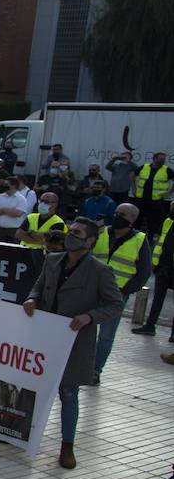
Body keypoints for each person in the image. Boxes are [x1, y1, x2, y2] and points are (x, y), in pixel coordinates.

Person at [23, 217, 123, 469]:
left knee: (68, 392)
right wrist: (32, 299)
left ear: (89, 241)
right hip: (45, 334)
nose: (70, 236)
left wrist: (90, 316)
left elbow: (115, 304)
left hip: (74, 339)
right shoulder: (52, 260)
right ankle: (19, 430)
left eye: (77, 233)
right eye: (70, 231)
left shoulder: (100, 271)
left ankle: (67, 445)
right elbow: (39, 286)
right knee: (33, 386)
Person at [90, 203, 151, 384]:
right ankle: (78, 366)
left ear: (132, 219)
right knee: (81, 330)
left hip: (115, 296)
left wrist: (125, 290)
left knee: (106, 336)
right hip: (90, 290)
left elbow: (144, 272)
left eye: (122, 214)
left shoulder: (140, 240)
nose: (117, 216)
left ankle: (95, 371)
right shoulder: (101, 232)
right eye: (116, 212)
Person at [133, 197, 174, 339]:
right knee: (157, 299)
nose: (171, 210)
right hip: (163, 267)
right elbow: (161, 242)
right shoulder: (168, 222)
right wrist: (156, 263)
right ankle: (150, 325)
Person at [133, 151, 170, 234]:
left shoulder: (166, 169)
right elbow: (132, 175)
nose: (163, 161)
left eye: (164, 159)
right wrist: (133, 188)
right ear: (154, 159)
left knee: (153, 221)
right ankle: (135, 235)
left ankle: (151, 237)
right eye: (161, 159)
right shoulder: (144, 167)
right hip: (141, 198)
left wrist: (169, 192)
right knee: (138, 219)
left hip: (156, 200)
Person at [0, 176, 29, 242]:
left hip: (12, 231)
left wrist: (3, 210)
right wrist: (7, 211)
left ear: (13, 186)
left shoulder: (21, 199)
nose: (4, 186)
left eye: (6, 184)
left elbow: (18, 213)